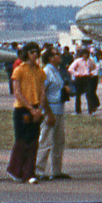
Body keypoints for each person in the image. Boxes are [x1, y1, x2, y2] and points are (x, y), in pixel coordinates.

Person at [8, 45, 45, 183]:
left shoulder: (40, 71)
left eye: (37, 52)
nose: (35, 55)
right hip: (22, 109)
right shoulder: (19, 70)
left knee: (33, 140)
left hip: (35, 107)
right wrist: (30, 108)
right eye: (32, 52)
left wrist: (39, 107)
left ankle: (29, 172)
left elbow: (42, 91)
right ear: (26, 54)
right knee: (21, 140)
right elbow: (17, 92)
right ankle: (15, 170)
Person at [36, 46, 68, 182]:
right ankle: (38, 170)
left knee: (58, 141)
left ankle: (56, 170)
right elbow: (42, 94)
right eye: (56, 54)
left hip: (59, 110)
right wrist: (48, 113)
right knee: (46, 140)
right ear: (50, 58)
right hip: (51, 110)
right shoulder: (47, 72)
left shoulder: (57, 71)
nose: (59, 56)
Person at [69, 47, 98, 115]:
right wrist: (77, 74)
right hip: (79, 78)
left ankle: (91, 110)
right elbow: (70, 69)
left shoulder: (90, 61)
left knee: (89, 94)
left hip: (87, 78)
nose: (85, 55)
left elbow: (95, 68)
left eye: (86, 54)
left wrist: (92, 73)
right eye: (84, 54)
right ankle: (78, 111)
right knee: (78, 95)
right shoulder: (78, 61)